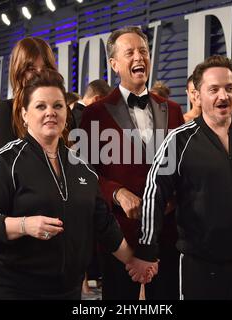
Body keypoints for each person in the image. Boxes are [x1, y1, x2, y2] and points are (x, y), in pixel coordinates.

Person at [0, 70, 155, 300]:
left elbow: (104, 225)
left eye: (57, 106)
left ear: (66, 113)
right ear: (24, 114)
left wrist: (134, 261)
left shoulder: (82, 167)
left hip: (66, 289)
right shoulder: (6, 161)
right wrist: (24, 225)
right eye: (40, 106)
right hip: (6, 284)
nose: (50, 113)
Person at [129, 55, 232, 300]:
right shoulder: (178, 141)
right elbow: (154, 195)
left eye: (229, 88)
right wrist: (146, 250)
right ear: (197, 95)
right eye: (214, 89)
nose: (223, 96)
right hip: (201, 269)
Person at [80, 26, 183, 300]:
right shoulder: (94, 114)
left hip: (166, 233)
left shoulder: (172, 109)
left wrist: (173, 195)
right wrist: (117, 192)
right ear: (114, 64)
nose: (139, 57)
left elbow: (182, 167)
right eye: (130, 52)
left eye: (143, 51)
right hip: (119, 234)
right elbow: (85, 174)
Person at [0, 37, 60, 149]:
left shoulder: (63, 110)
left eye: (45, 69)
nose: (39, 75)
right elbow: (8, 162)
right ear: (18, 71)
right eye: (31, 69)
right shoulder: (6, 111)